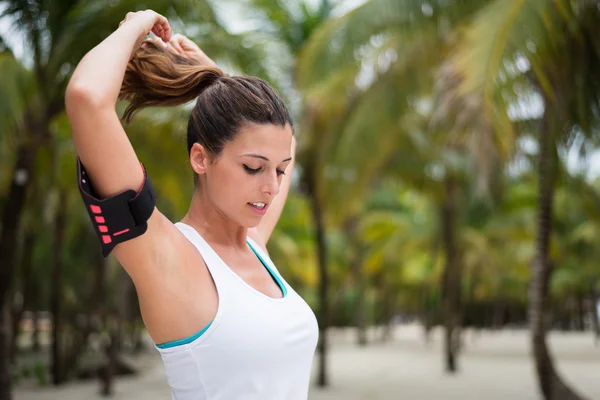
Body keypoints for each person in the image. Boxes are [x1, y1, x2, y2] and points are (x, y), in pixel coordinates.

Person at [65, 9, 319, 400]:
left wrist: (219, 84)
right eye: (253, 168)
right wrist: (134, 25)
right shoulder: (167, 258)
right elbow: (86, 98)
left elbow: (286, 146)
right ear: (200, 158)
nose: (271, 187)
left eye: (281, 172)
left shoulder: (254, 244)